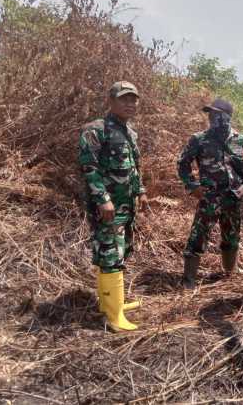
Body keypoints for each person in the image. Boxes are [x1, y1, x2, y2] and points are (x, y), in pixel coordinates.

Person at [79, 81, 149, 331]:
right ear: (111, 101)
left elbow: (135, 165)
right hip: (108, 206)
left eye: (134, 99)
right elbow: (89, 167)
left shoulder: (130, 132)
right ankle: (113, 315)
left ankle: (112, 303)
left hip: (126, 206)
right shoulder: (96, 130)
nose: (130, 104)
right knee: (110, 254)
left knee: (121, 252)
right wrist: (102, 198)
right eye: (124, 99)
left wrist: (140, 191)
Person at [178, 99, 243, 289]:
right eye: (210, 114)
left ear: (227, 116)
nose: (212, 117)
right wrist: (192, 186)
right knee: (198, 237)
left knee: (232, 238)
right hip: (209, 198)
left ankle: (229, 275)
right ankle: (189, 281)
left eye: (217, 113)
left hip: (233, 198)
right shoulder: (199, 139)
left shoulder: (240, 140)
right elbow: (183, 164)